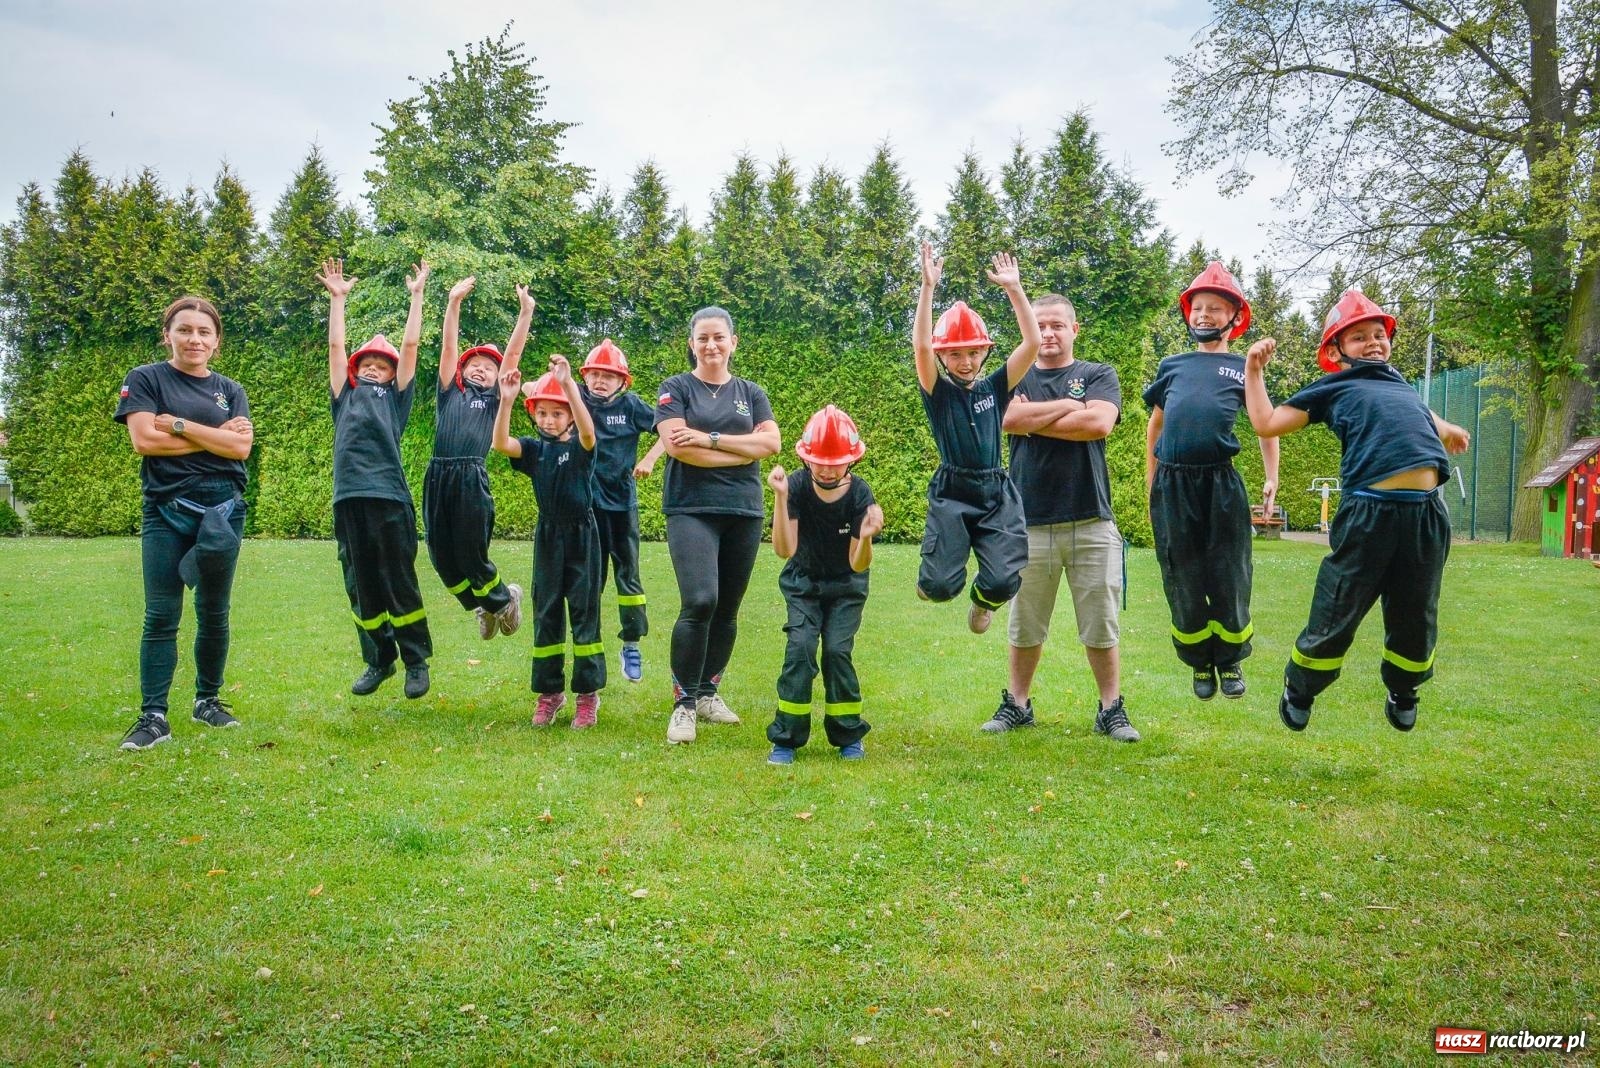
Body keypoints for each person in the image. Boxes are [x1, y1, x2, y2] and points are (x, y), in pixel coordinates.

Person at [1243, 289, 1471, 732]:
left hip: (1425, 516)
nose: (1374, 342)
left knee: (1416, 610)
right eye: (1360, 336)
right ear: (1335, 351)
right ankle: (1301, 684)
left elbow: (1423, 416)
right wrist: (1254, 370)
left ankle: (1404, 689)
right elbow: (1266, 423)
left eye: (1378, 334)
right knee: (1338, 606)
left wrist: (1449, 429)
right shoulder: (1334, 387)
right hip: (1369, 513)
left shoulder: (1400, 384)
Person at [988, 293, 1139, 742]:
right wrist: (1070, 408)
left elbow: (1098, 425)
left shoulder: (1097, 374)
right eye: (1041, 326)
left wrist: (1033, 418)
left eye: (1057, 325)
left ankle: (1111, 710)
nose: (1049, 333)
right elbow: (1005, 420)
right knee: (1025, 623)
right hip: (1027, 522)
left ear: (1075, 329)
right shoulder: (1015, 375)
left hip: (1091, 519)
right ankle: (1017, 705)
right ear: (1029, 332)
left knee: (1100, 622)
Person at [114, 296, 254, 750]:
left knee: (214, 614)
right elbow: (142, 440)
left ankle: (208, 701)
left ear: (216, 342)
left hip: (222, 514)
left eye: (204, 332)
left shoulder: (231, 390)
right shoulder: (145, 378)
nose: (195, 339)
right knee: (161, 615)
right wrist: (212, 437)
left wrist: (176, 425)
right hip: (164, 512)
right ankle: (153, 716)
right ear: (168, 334)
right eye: (185, 330)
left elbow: (240, 450)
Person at [1143, 261, 1280, 702]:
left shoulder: (1244, 368)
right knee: (1182, 573)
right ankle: (1199, 661)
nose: (1204, 315)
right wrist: (1152, 480)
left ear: (1234, 317)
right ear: (1188, 313)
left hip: (1221, 486)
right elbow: (1155, 427)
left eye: (1215, 308)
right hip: (1173, 485)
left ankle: (1231, 659)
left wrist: (1271, 479)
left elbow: (1267, 424)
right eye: (1197, 307)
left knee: (1228, 573)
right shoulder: (1172, 366)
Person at [655, 307, 782, 744]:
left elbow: (772, 443)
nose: (711, 345)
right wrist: (744, 451)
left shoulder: (752, 392)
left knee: (727, 608)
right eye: (703, 338)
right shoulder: (675, 388)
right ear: (691, 343)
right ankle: (684, 703)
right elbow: (677, 447)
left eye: (719, 338)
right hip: (690, 509)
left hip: (743, 511)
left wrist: (710, 438)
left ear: (733, 342)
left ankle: (709, 693)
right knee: (700, 600)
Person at [317, 258, 433, 700]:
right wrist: (338, 300)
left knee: (397, 580)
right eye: (365, 362)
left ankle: (415, 661)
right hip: (349, 499)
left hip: (389, 497)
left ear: (390, 373)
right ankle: (379, 659)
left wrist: (417, 296)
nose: (372, 368)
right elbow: (334, 349)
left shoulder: (395, 397)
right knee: (361, 585)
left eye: (380, 365)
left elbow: (411, 345)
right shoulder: (343, 394)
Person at [912, 241, 1041, 634]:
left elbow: (1032, 344)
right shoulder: (938, 392)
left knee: (1004, 580)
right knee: (937, 587)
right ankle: (933, 581)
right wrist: (928, 287)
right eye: (954, 354)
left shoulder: (994, 388)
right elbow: (920, 345)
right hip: (953, 491)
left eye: (972, 353)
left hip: (995, 492)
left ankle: (983, 603)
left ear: (984, 353)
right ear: (942, 358)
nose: (964, 362)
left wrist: (1014, 289)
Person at [764, 405, 885, 765]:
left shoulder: (860, 494)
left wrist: (865, 537)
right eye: (820, 461)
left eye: (836, 461)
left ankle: (848, 734)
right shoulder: (797, 487)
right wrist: (781, 498)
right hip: (803, 584)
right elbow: (784, 550)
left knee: (836, 652)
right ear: (806, 458)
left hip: (846, 587)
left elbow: (857, 563)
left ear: (851, 461)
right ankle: (786, 737)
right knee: (800, 649)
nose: (828, 468)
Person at [492, 358, 604, 728]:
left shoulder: (582, 445)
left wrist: (569, 385)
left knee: (585, 614)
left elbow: (589, 433)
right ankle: (550, 695)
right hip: (548, 537)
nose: (548, 420)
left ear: (570, 416)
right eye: (541, 413)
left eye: (557, 414)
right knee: (547, 614)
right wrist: (507, 400)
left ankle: (587, 696)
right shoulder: (534, 449)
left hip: (583, 535)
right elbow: (500, 443)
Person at [425, 276, 534, 641]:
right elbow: (448, 348)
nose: (481, 369)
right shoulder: (448, 392)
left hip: (471, 477)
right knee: (441, 558)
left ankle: (505, 600)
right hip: (437, 477)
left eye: (489, 367)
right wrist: (452, 303)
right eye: (475, 364)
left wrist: (525, 312)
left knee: (472, 555)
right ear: (462, 369)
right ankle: (482, 605)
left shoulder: (493, 400)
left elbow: (513, 357)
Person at [579, 338, 666, 683]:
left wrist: (648, 459)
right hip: (586, 508)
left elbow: (667, 432)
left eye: (608, 375)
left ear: (622, 381)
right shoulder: (576, 402)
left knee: (628, 578)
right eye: (594, 374)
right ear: (585, 376)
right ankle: (592, 645)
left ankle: (631, 643)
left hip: (622, 506)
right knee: (591, 581)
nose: (600, 381)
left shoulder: (632, 407)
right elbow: (535, 392)